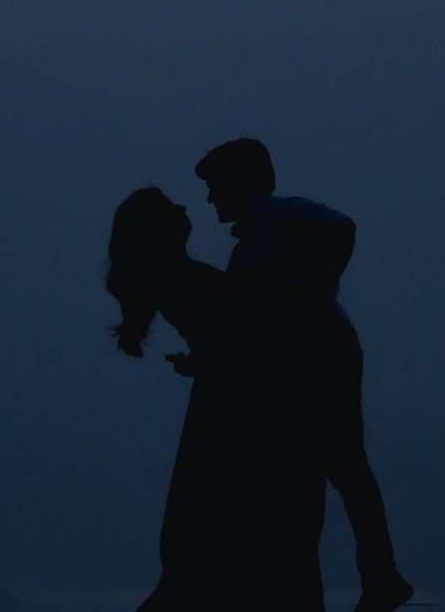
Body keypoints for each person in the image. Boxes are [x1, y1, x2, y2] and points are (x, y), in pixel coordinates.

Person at [196, 139, 411, 612]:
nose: (210, 198)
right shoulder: (252, 244)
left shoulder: (282, 214)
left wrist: (309, 295)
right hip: (304, 358)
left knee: (343, 464)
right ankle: (354, 579)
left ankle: (380, 574)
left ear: (241, 182)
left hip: (322, 352)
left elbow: (342, 228)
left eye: (214, 187)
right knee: (316, 470)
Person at [107, 185, 324, 612]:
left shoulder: (175, 278)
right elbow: (238, 337)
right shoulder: (180, 278)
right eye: (172, 208)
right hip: (237, 412)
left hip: (225, 405)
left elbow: (224, 337)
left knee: (216, 534)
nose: (185, 207)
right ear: (158, 229)